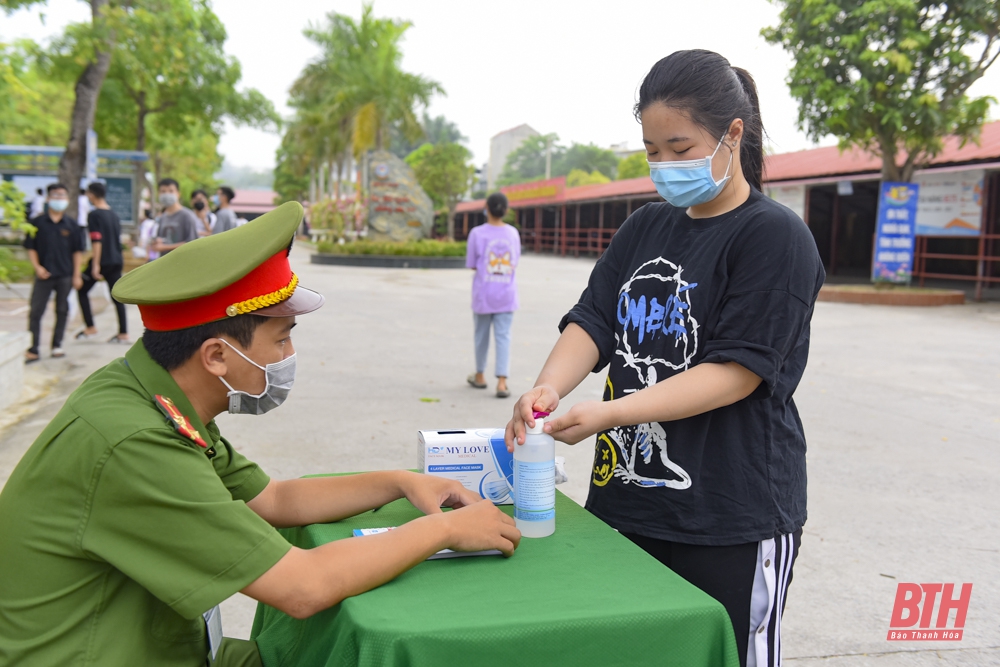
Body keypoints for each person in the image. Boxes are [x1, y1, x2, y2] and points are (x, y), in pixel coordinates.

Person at [0, 202, 520, 666]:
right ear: (217, 355)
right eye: (282, 338)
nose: (289, 357)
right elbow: (302, 586)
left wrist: (400, 482)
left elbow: (272, 498)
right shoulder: (133, 440)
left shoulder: (151, 393)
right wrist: (446, 531)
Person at [505, 50, 824, 667]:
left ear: (733, 134)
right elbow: (593, 322)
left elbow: (736, 372)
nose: (664, 165)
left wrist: (608, 414)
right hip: (626, 501)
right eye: (652, 150)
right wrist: (546, 389)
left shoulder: (773, 236)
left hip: (731, 514)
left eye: (680, 149)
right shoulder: (645, 227)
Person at [465, 192, 520, 399]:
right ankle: (502, 382)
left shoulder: (476, 233)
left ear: (486, 208)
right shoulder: (513, 233)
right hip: (506, 294)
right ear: (505, 210)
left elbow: (472, 264)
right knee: (503, 337)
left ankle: (479, 376)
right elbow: (515, 261)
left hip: (483, 295)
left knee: (481, 336)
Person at [22, 183, 84, 363]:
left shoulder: (71, 225)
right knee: (36, 311)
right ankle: (33, 348)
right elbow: (30, 247)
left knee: (62, 310)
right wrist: (37, 267)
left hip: (65, 274)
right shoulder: (38, 223)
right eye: (56, 195)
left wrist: (76, 275)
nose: (59, 199)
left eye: (63, 196)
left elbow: (77, 252)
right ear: (48, 199)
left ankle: (57, 345)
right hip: (44, 275)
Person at [75, 181, 128, 344]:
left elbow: (97, 240)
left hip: (102, 260)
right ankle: (123, 332)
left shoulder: (94, 215)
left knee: (82, 290)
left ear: (91, 194)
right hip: (116, 260)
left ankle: (90, 326)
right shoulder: (113, 214)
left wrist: (96, 264)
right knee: (117, 297)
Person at [153, 178, 200, 255]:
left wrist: (164, 247)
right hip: (166, 263)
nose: (167, 194)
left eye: (171, 191)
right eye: (163, 191)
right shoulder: (163, 217)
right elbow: (161, 239)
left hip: (183, 262)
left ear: (178, 193)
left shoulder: (187, 215)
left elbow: (192, 242)